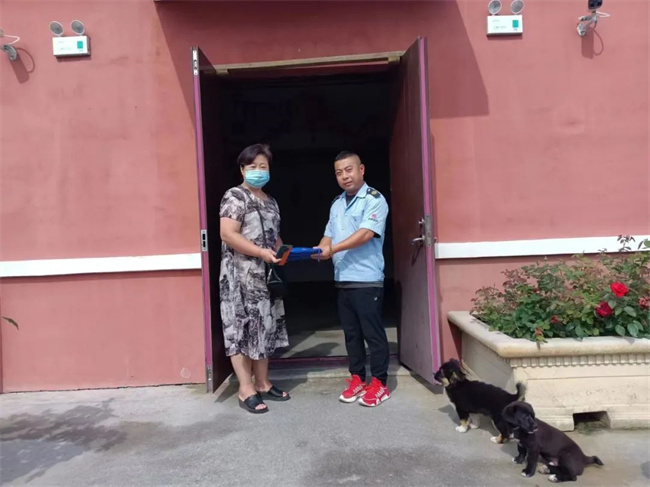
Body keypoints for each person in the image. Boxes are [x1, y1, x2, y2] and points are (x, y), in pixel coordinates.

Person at [315, 151, 391, 407]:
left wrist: (333, 249)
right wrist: (320, 249)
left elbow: (366, 234)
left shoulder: (374, 199)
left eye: (349, 170)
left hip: (367, 279)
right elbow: (328, 234)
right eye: (339, 173)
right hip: (343, 279)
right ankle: (357, 378)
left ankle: (380, 383)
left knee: (373, 334)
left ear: (361, 169)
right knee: (351, 335)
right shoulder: (337, 203)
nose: (344, 176)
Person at [219, 143, 290, 414]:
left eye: (263, 166)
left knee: (264, 326)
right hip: (240, 276)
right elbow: (228, 234)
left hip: (265, 277)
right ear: (242, 169)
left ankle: (262, 382)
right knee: (241, 329)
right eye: (252, 166)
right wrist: (260, 252)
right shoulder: (235, 196)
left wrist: (283, 251)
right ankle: (245, 388)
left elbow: (274, 235)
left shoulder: (270, 201)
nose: (258, 171)